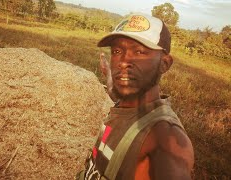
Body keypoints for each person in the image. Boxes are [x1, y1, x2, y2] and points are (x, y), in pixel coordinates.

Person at [77, 12, 194, 180]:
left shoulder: (164, 138)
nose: (123, 62)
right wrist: (110, 75)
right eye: (117, 51)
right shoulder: (127, 104)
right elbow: (115, 94)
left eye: (139, 52)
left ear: (164, 64)